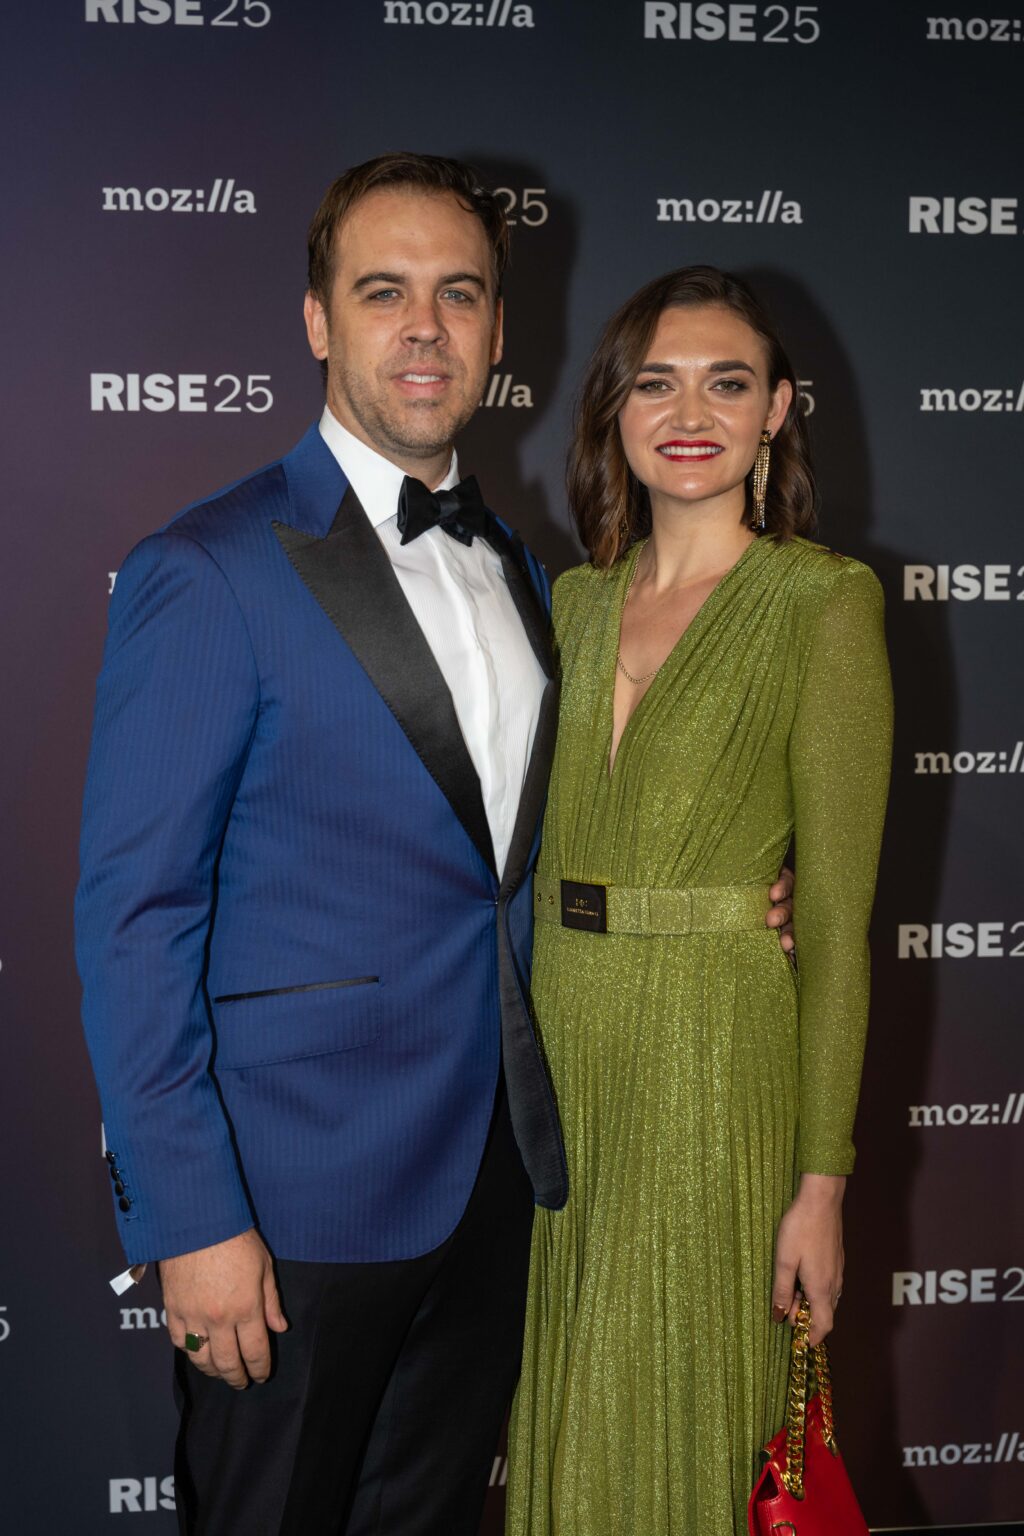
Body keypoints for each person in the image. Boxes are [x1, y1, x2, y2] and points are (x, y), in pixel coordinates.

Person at [76, 156, 794, 1536]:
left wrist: (738, 898)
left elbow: (544, 840)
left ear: (498, 331)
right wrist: (191, 1218)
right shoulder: (210, 569)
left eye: (458, 294)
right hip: (289, 1207)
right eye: (382, 292)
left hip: (498, 1184)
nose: (424, 327)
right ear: (316, 320)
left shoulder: (529, 571)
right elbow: (134, 917)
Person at [507, 266, 892, 1536]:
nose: (688, 413)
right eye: (654, 383)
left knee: (692, 1411)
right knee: (573, 1406)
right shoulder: (569, 604)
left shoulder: (820, 603)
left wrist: (821, 1185)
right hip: (564, 1056)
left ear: (775, 410)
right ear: (612, 410)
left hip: (716, 1058)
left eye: (726, 383)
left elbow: (833, 928)